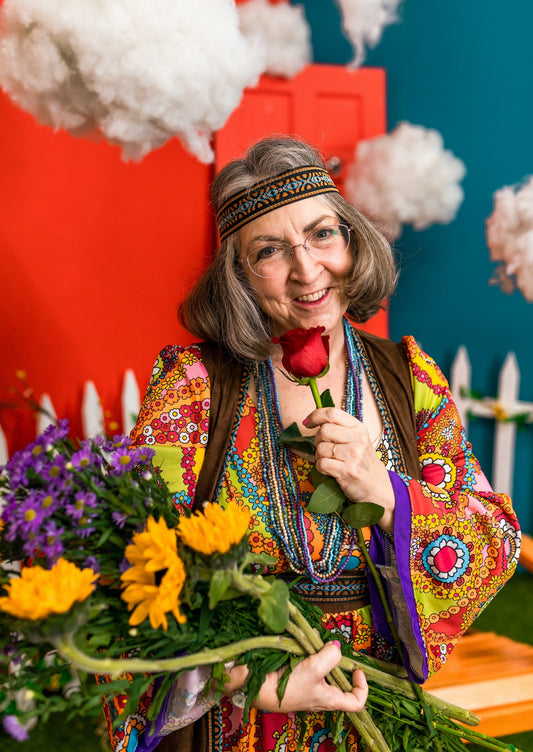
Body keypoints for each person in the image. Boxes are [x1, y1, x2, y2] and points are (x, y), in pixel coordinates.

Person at [103, 135, 521, 752]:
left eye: (323, 235)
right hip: (241, 714)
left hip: (374, 705)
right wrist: (245, 680)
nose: (307, 270)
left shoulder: (410, 378)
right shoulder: (195, 386)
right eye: (270, 250)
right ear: (239, 275)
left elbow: (493, 537)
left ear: (352, 240)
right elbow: (127, 558)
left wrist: (384, 492)